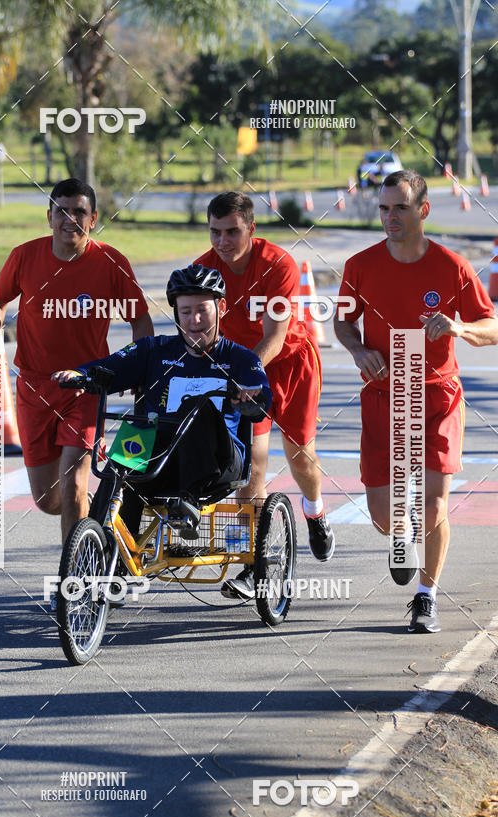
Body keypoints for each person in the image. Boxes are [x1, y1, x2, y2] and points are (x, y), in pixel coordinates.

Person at [335, 169, 498, 634]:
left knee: (433, 503)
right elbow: (343, 322)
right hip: (383, 395)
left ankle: (426, 597)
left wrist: (459, 327)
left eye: (400, 208)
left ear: (423, 210)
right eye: (384, 208)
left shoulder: (452, 266)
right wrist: (358, 349)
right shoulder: (360, 265)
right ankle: (401, 533)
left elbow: (491, 326)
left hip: (437, 395)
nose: (390, 217)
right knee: (384, 518)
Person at [0, 178, 153, 543]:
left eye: (79, 211)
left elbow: (140, 320)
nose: (69, 219)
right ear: (49, 217)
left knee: (74, 482)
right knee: (48, 499)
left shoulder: (111, 263)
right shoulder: (24, 257)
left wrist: (138, 370)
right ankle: (91, 517)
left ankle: (76, 574)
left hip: (85, 387)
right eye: (61, 211)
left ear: (93, 219)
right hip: (34, 388)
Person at [52, 264, 272, 534]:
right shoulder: (153, 350)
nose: (194, 320)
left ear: (221, 307)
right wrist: (82, 374)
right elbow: (110, 367)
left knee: (197, 404)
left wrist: (252, 398)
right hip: (159, 458)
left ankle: (187, 502)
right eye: (186, 312)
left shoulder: (241, 359)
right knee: (131, 443)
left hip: (218, 465)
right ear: (176, 313)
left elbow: (261, 395)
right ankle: (102, 541)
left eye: (203, 310)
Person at [195, 191, 334, 600]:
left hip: (289, 364)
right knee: (250, 466)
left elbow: (274, 336)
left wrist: (244, 371)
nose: (223, 241)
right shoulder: (203, 270)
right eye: (215, 232)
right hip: (242, 373)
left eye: (232, 232)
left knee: (300, 456)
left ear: (251, 229)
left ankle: (315, 511)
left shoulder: (278, 265)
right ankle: (249, 565)